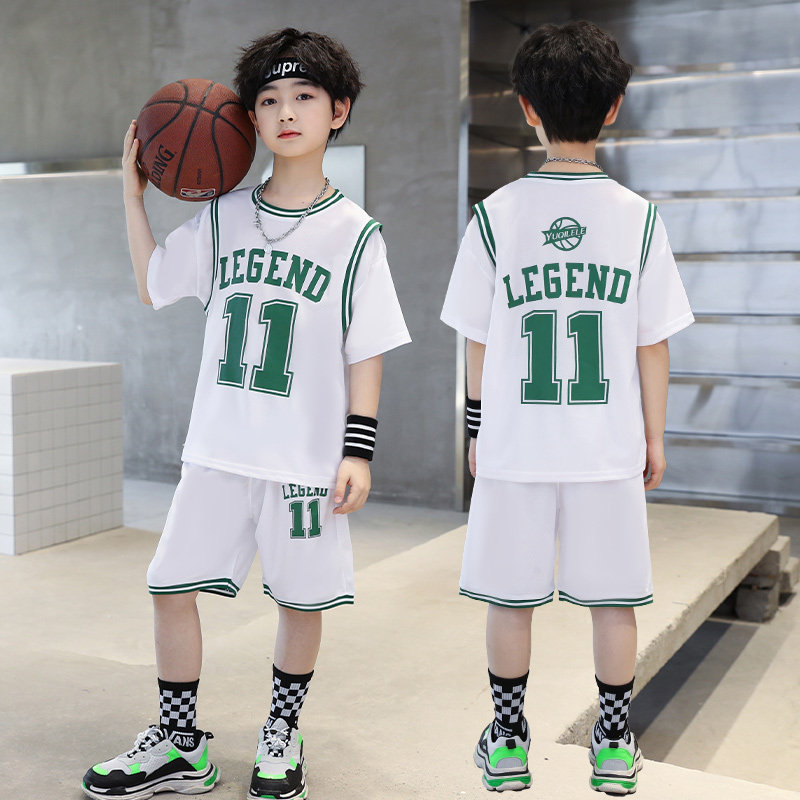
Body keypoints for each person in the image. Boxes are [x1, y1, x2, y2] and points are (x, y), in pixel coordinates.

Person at [82, 27, 410, 800]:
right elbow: (154, 285)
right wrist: (132, 197)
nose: (286, 112)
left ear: (338, 110)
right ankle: (179, 743)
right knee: (170, 585)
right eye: (268, 100)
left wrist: (357, 450)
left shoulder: (356, 235)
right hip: (219, 449)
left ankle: (281, 732)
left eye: (304, 96)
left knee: (300, 599)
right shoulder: (223, 216)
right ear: (250, 118)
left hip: (304, 462)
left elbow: (367, 350)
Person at [441, 20, 693, 795]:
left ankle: (507, 742)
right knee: (613, 600)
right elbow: (653, 344)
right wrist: (654, 438)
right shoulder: (639, 217)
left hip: (516, 443)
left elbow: (477, 338)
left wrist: (476, 427)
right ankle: (612, 746)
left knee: (509, 598)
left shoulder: (495, 216)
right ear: (613, 108)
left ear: (527, 109)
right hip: (606, 445)